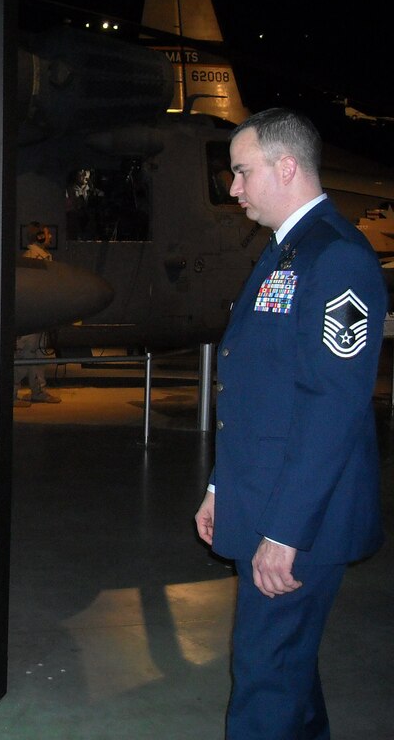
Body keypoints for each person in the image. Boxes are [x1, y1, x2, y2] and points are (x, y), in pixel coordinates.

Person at [193, 108, 385, 739]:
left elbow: (333, 408)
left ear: (286, 166)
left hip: (302, 516)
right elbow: (256, 390)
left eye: (242, 172)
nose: (234, 188)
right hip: (268, 496)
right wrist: (223, 487)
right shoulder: (288, 251)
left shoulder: (336, 258)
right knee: (287, 672)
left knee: (266, 674)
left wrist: (284, 531)